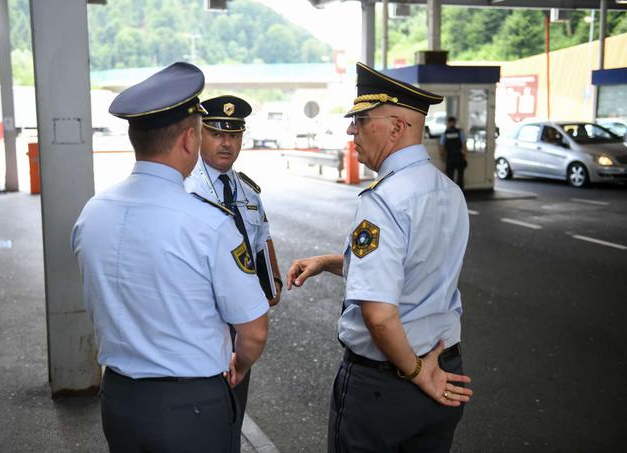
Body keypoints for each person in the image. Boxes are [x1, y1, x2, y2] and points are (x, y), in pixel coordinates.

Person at [71, 62, 269, 453]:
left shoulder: (92, 212)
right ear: (188, 141)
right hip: (191, 408)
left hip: (120, 400)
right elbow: (254, 331)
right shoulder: (208, 223)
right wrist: (241, 365)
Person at [287, 62, 473, 453]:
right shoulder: (448, 190)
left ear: (396, 127)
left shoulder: (384, 199)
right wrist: (328, 261)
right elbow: (410, 267)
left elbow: (379, 313)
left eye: (361, 119)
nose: (352, 129)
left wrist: (416, 372)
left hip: (391, 382)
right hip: (446, 370)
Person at [185, 95, 282, 430]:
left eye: (234, 135)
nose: (227, 143)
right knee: (200, 418)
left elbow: (261, 242)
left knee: (232, 414)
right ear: (198, 134)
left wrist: (271, 285)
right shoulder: (185, 189)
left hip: (240, 325)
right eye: (216, 133)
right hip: (200, 323)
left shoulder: (248, 193)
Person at [439, 116, 468, 190]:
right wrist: (465, 157)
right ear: (455, 123)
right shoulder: (460, 132)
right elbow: (464, 145)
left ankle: (452, 191)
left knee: (450, 176)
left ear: (448, 123)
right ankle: (461, 191)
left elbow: (442, 146)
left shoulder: (445, 133)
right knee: (460, 176)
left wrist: (442, 157)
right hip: (459, 156)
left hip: (450, 157)